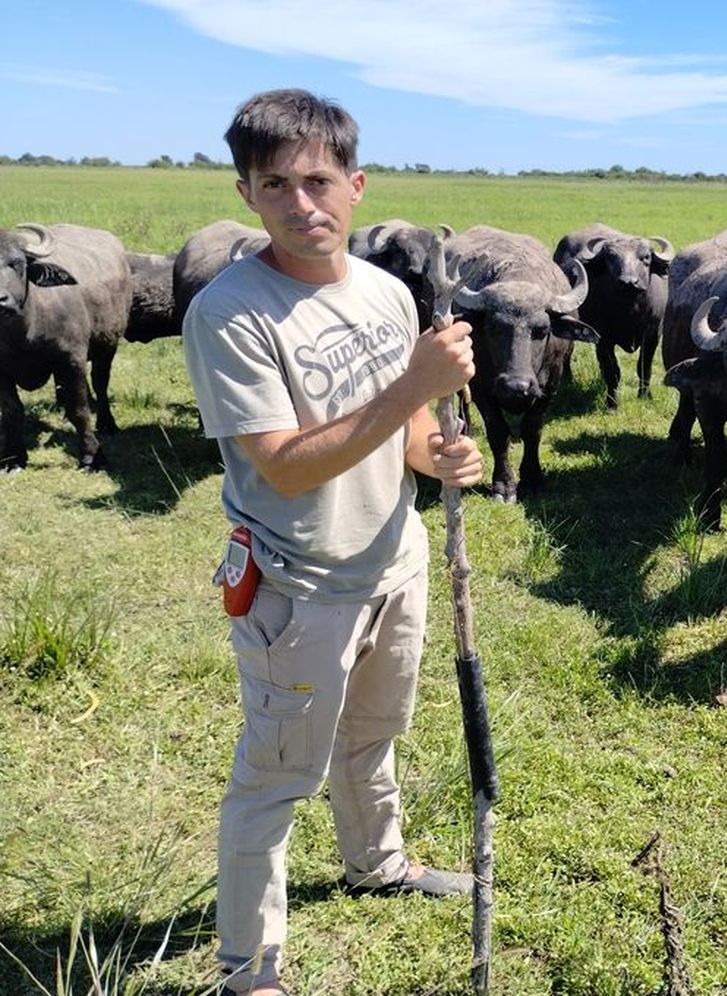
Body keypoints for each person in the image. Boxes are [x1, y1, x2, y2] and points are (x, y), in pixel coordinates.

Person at [182, 88, 484, 996]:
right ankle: (251, 969)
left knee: (375, 733)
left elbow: (412, 433)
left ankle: (377, 864)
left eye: (318, 180)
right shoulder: (231, 314)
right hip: (300, 583)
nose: (301, 203)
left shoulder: (388, 293)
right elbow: (283, 467)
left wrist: (445, 457)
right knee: (277, 775)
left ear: (355, 185)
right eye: (275, 183)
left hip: (394, 559)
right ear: (247, 194)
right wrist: (411, 388)